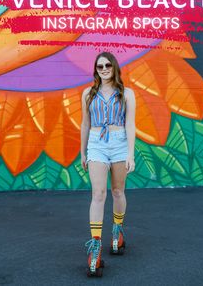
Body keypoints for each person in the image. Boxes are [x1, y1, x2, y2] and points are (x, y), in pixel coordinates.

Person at [80, 51, 136, 276]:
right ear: (96, 69)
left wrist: (130, 154)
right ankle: (95, 247)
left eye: (107, 66)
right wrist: (83, 152)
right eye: (99, 66)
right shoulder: (88, 93)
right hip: (97, 143)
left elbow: (130, 125)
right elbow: (85, 124)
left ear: (114, 67)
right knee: (99, 194)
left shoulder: (127, 93)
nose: (103, 69)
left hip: (120, 142)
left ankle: (117, 231)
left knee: (117, 191)